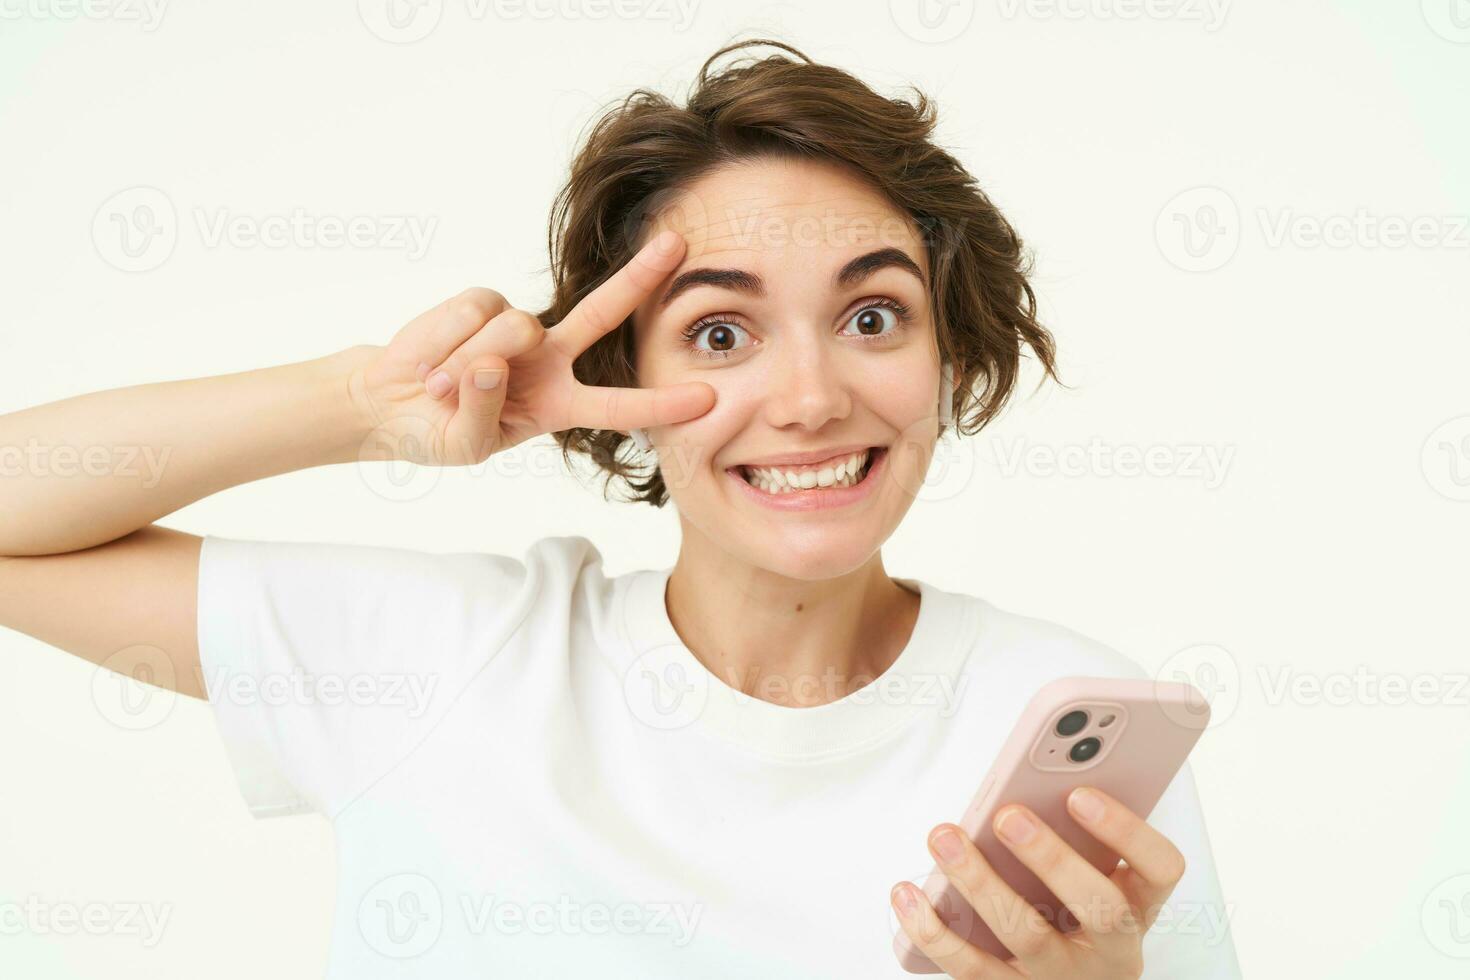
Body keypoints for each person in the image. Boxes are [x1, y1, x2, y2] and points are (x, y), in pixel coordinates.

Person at [0, 38, 1241, 979]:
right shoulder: (446, 659)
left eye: (872, 316)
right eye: (719, 329)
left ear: (947, 352)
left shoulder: (1069, 725)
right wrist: (362, 404)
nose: (810, 397)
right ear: (622, 380)